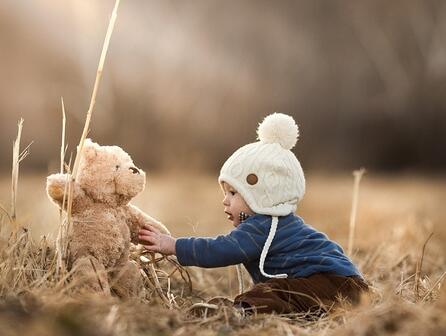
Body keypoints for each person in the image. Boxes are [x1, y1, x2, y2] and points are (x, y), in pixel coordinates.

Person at [138, 112, 368, 316]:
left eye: (234, 193)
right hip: (341, 284)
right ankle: (236, 308)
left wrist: (175, 246)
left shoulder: (263, 225)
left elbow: (221, 249)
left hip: (336, 285)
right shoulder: (276, 223)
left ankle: (241, 311)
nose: (225, 200)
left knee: (276, 293)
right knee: (281, 294)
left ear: (263, 195)